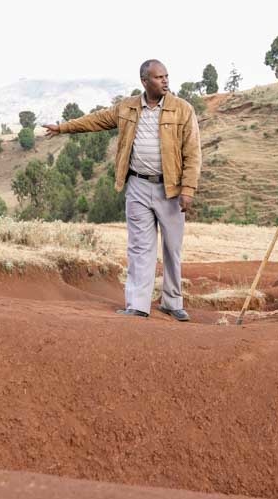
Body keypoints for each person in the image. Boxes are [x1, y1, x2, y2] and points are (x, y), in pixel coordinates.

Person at [44, 60, 201, 321]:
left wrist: (189, 188)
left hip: (170, 188)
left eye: (166, 76)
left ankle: (172, 302)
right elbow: (95, 121)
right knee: (139, 247)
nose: (165, 81)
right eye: (159, 77)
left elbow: (193, 152)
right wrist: (63, 127)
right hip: (137, 185)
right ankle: (138, 304)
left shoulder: (182, 109)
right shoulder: (127, 107)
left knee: (172, 248)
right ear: (144, 81)